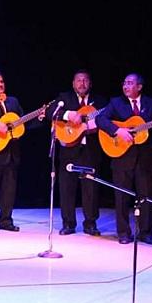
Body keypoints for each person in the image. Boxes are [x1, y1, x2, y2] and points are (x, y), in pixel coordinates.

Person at [96, 73, 152, 244]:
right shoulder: (116, 102)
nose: (126, 86)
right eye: (124, 83)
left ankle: (146, 233)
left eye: (130, 83)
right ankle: (123, 233)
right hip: (121, 156)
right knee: (122, 196)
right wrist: (118, 131)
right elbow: (100, 119)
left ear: (139, 87)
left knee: (146, 196)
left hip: (145, 158)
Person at [0, 70, 42, 232]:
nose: (0, 85)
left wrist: (38, 119)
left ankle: (6, 220)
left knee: (9, 189)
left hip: (11, 152)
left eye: (2, 82)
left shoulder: (13, 102)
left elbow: (21, 123)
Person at [51, 70, 107, 236]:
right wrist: (69, 114)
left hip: (91, 150)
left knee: (90, 188)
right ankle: (68, 223)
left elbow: (106, 118)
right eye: (78, 80)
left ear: (90, 83)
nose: (82, 83)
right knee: (67, 187)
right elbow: (50, 112)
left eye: (85, 80)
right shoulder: (64, 98)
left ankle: (90, 223)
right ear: (73, 83)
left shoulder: (100, 101)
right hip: (69, 149)